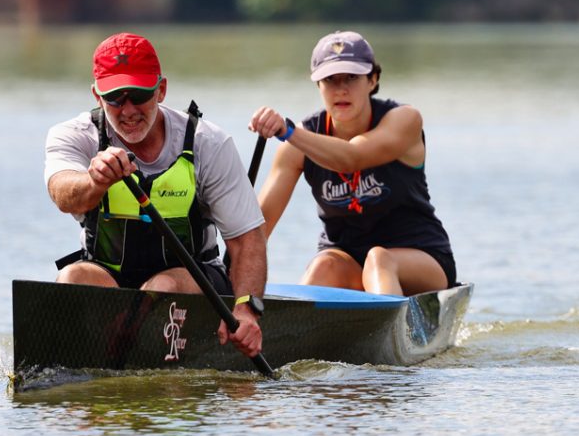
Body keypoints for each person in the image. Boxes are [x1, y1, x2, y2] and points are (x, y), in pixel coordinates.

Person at [44, 32, 266, 358]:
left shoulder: (208, 143)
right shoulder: (74, 135)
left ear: (161, 89)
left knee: (164, 286)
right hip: (110, 277)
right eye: (116, 97)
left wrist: (247, 309)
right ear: (97, 95)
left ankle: (129, 344)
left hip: (194, 280)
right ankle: (79, 363)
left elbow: (246, 239)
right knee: (73, 277)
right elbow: (63, 194)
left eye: (139, 94)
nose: (129, 109)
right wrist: (94, 182)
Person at [248, 30, 456, 295]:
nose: (341, 89)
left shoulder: (404, 120)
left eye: (352, 78)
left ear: (373, 79)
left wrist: (288, 132)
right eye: (330, 80)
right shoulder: (296, 147)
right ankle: (294, 332)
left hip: (420, 258)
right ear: (318, 86)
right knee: (322, 266)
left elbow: (351, 158)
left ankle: (386, 331)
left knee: (378, 259)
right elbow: (256, 230)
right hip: (346, 259)